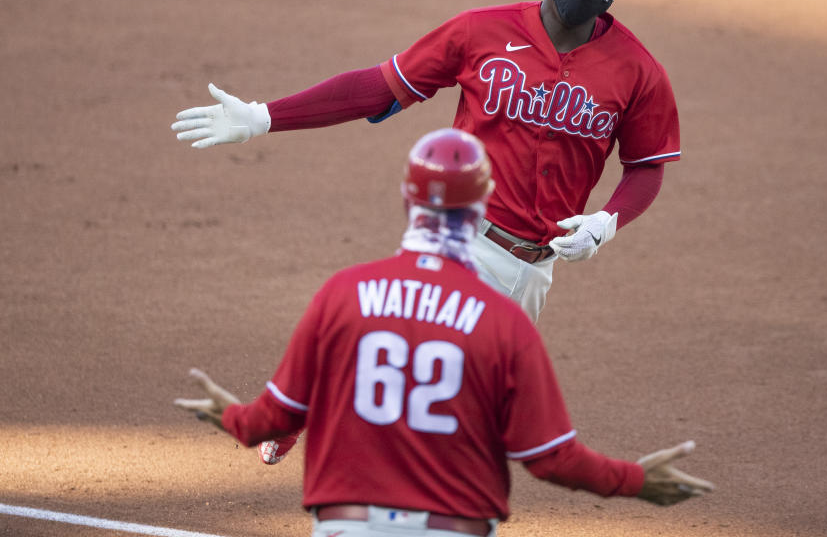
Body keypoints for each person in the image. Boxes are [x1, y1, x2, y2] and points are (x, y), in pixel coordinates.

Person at [174, 128, 713, 537]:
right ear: (481, 206)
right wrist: (636, 482)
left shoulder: (344, 293)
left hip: (346, 525)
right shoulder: (502, 322)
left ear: (408, 200)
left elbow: (270, 421)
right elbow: (550, 458)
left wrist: (228, 414)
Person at [171, 0, 680, 327]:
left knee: (465, 410)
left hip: (536, 268)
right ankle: (303, 404)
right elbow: (378, 87)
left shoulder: (638, 71)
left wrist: (606, 222)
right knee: (407, 349)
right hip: (458, 238)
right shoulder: (480, 32)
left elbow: (645, 166)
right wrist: (265, 116)